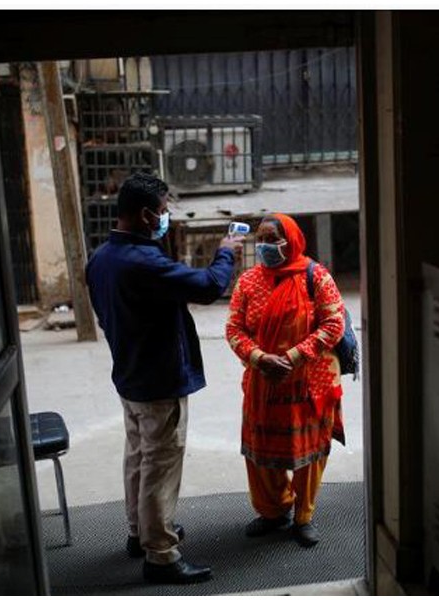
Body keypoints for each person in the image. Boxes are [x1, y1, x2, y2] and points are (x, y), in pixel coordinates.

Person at [86, 172, 243, 584]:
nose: (166, 217)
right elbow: (210, 286)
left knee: (139, 456)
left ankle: (140, 532)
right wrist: (226, 251)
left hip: (130, 375)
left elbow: (106, 316)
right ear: (143, 214)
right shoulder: (145, 262)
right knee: (160, 465)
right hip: (158, 381)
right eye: (162, 210)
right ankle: (162, 554)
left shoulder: (101, 258)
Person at [225, 213, 347, 547]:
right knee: (261, 451)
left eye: (273, 238)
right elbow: (234, 328)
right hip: (263, 380)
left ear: (291, 240)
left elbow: (333, 324)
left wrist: (293, 356)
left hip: (310, 380)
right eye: (261, 239)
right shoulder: (248, 282)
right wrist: (260, 358)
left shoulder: (316, 277)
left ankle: (304, 515)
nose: (265, 245)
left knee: (308, 451)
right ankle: (273, 510)